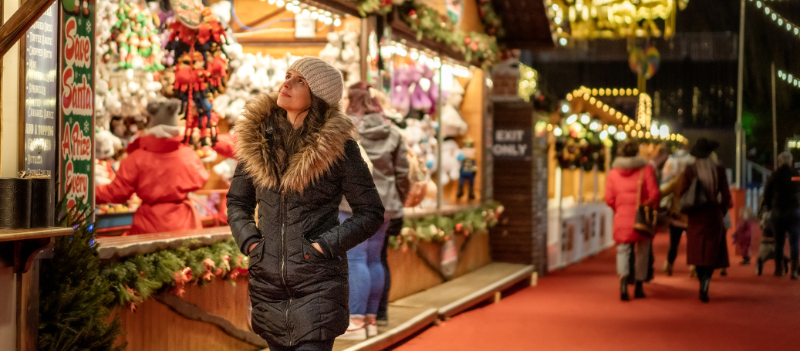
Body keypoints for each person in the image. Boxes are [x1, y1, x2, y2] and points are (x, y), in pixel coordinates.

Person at [227, 57, 385, 351]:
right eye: (288, 75)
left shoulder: (338, 147)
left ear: (318, 96)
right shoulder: (256, 141)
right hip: (269, 284)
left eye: (300, 80)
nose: (286, 83)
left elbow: (370, 212)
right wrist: (250, 242)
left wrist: (323, 247)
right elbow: (238, 201)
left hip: (319, 283)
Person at [339, 83, 410, 339]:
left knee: (356, 259)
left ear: (352, 101)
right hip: (385, 204)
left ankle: (355, 322)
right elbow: (403, 173)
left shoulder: (345, 128)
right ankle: (370, 319)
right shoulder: (392, 131)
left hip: (353, 204)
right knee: (374, 259)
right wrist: (396, 201)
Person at [96, 99, 209, 235]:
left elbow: (116, 193)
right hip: (184, 226)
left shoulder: (136, 158)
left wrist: (88, 193)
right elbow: (201, 179)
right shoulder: (189, 155)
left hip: (149, 227)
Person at [604, 139, 659, 301]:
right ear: (636, 153)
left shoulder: (613, 173)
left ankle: (623, 283)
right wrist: (646, 205)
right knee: (643, 252)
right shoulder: (645, 169)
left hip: (622, 218)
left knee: (623, 251)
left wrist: (619, 209)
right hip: (641, 217)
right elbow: (654, 194)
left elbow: (608, 198)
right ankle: (639, 286)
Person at [680, 138, 732, 302]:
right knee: (711, 252)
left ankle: (701, 280)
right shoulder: (719, 169)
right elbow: (726, 196)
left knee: (697, 252)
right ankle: (706, 281)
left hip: (695, 216)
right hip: (713, 215)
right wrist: (721, 211)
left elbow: (683, 193)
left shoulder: (690, 169)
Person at [762, 151, 800, 279]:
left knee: (779, 241)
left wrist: (770, 206)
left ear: (779, 162)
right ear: (790, 162)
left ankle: (779, 270)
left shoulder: (775, 175)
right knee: (795, 241)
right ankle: (794, 271)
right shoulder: (795, 174)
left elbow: (766, 192)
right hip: (794, 211)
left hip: (778, 211)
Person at [660, 145, 694, 275]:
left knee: (674, 243)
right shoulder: (695, 181)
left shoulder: (677, 180)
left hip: (676, 217)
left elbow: (664, 191)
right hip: (690, 217)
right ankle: (694, 267)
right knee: (692, 244)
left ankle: (669, 265)